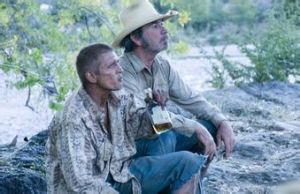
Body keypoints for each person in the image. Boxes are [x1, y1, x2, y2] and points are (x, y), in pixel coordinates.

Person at [46, 43, 211, 194]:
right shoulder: (74, 119)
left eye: (118, 63)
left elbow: (150, 130)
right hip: (96, 188)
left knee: (188, 162)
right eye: (112, 66)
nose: (120, 69)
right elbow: (81, 183)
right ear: (91, 77)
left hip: (120, 172)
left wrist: (156, 107)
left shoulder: (119, 99)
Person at [112, 0, 235, 159]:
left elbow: (193, 100)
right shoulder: (121, 72)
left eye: (162, 23)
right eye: (155, 26)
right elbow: (145, 119)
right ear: (136, 38)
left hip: (159, 139)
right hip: (130, 152)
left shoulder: (162, 66)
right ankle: (158, 181)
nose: (164, 30)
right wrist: (194, 127)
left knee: (210, 126)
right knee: (164, 135)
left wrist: (222, 122)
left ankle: (191, 180)